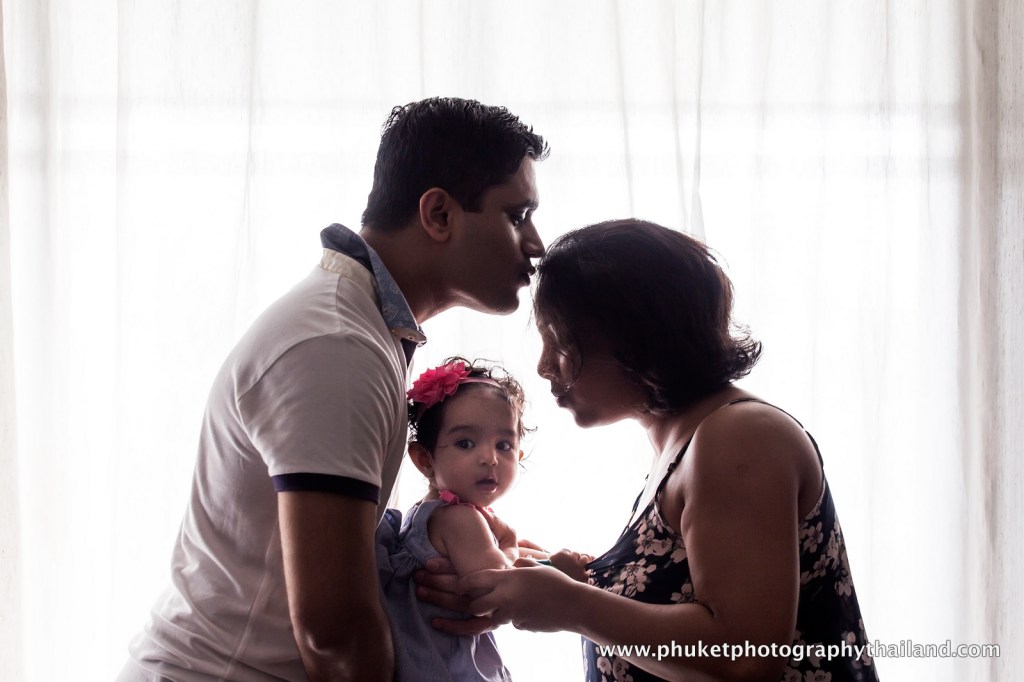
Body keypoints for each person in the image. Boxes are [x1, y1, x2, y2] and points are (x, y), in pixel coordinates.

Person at [118, 97, 548, 682]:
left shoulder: (360, 328)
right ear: (439, 214)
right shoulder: (337, 345)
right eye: (516, 214)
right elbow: (336, 634)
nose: (536, 244)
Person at [455, 220, 879, 682]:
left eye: (560, 341)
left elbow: (745, 659)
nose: (542, 366)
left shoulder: (740, 437)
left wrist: (572, 604)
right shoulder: (693, 440)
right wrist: (565, 579)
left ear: (632, 335)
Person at [377, 358, 528, 681]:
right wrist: (512, 548)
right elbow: (501, 592)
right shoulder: (459, 519)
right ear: (424, 459)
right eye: (465, 443)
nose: (489, 458)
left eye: (504, 445)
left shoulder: (424, 514)